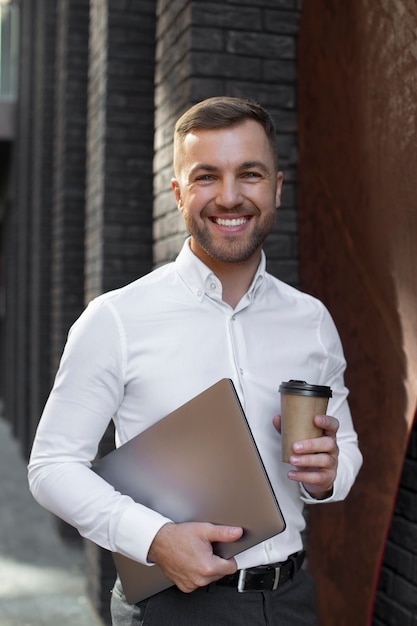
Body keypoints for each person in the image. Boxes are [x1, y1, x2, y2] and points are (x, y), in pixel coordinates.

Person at [28, 96, 362, 625]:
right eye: (207, 177)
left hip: (292, 601)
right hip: (168, 608)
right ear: (179, 193)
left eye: (249, 174)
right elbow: (51, 467)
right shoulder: (114, 318)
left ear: (276, 187)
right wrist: (155, 539)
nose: (230, 197)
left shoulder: (312, 319)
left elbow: (342, 449)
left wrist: (326, 476)